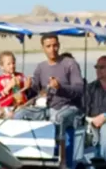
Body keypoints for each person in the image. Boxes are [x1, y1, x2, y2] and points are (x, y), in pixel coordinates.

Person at [15, 34, 86, 162]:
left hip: (71, 108)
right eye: (48, 46)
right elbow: (35, 92)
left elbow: (79, 90)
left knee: (58, 118)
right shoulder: (41, 67)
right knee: (20, 114)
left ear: (59, 46)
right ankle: (20, 155)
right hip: (48, 108)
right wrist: (28, 87)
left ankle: (61, 160)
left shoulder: (70, 64)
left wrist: (60, 88)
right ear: (43, 48)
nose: (52, 49)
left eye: (55, 45)